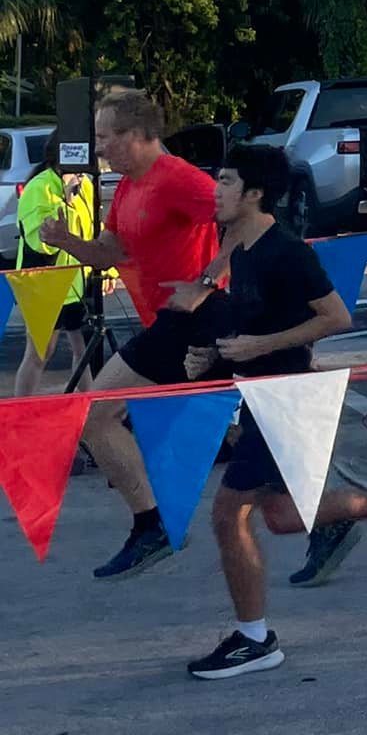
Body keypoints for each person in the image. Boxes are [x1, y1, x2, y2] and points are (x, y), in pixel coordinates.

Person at [186, 146, 367, 680]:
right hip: (262, 396)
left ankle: (254, 639)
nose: (215, 190)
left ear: (254, 193)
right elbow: (249, 315)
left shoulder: (286, 251)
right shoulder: (240, 246)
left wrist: (262, 348)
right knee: (283, 517)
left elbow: (336, 317)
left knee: (226, 513)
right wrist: (212, 351)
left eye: (226, 181)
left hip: (289, 399)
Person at [36, 90, 225, 579]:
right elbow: (108, 254)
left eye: (104, 137)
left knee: (94, 416)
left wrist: (205, 284)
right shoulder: (127, 188)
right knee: (254, 442)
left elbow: (248, 221)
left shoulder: (179, 179)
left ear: (137, 134)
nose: (99, 149)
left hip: (193, 324)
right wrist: (66, 242)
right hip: (166, 326)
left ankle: (151, 525)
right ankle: (356, 507)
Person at [11, 159, 95, 396]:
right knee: (40, 352)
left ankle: (91, 406)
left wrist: (105, 271)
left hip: (75, 282)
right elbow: (41, 243)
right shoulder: (40, 187)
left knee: (85, 348)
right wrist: (67, 203)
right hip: (42, 283)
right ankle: (21, 410)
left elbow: (92, 231)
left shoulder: (85, 185)